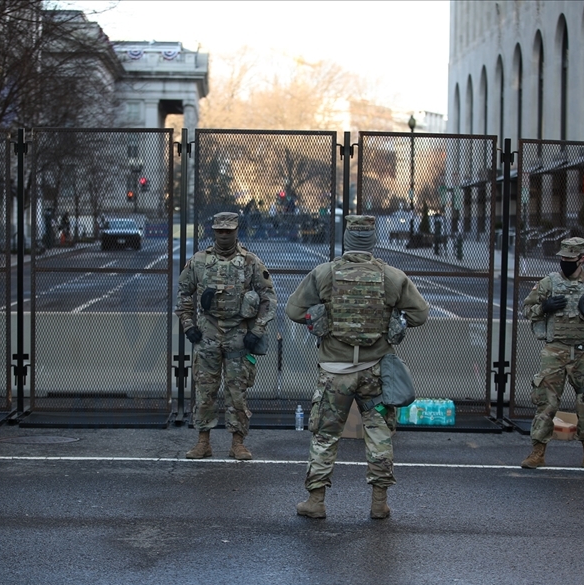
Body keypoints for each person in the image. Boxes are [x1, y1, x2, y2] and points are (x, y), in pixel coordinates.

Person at [286, 215, 428, 519]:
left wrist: (320, 316)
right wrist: (394, 320)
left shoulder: (325, 274)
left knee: (325, 434)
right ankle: (379, 503)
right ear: (372, 241)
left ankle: (316, 501)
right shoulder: (391, 277)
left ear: (346, 241)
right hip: (375, 370)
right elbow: (420, 315)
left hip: (334, 373)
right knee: (379, 432)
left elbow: (293, 310)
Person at [176, 211, 276, 461]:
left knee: (237, 391)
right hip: (207, 333)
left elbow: (268, 297)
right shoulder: (199, 261)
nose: (223, 235)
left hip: (238, 334)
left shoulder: (251, 262)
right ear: (213, 231)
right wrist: (188, 325)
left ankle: (238, 443)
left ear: (236, 231)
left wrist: (257, 330)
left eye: (228, 231)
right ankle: (203, 442)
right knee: (205, 389)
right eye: (219, 230)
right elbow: (184, 294)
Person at [520, 237, 584, 471]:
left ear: (582, 258)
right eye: (563, 258)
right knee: (546, 402)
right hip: (555, 351)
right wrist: (544, 307)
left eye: (571, 259)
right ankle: (537, 452)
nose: (566, 263)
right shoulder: (548, 283)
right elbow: (527, 310)